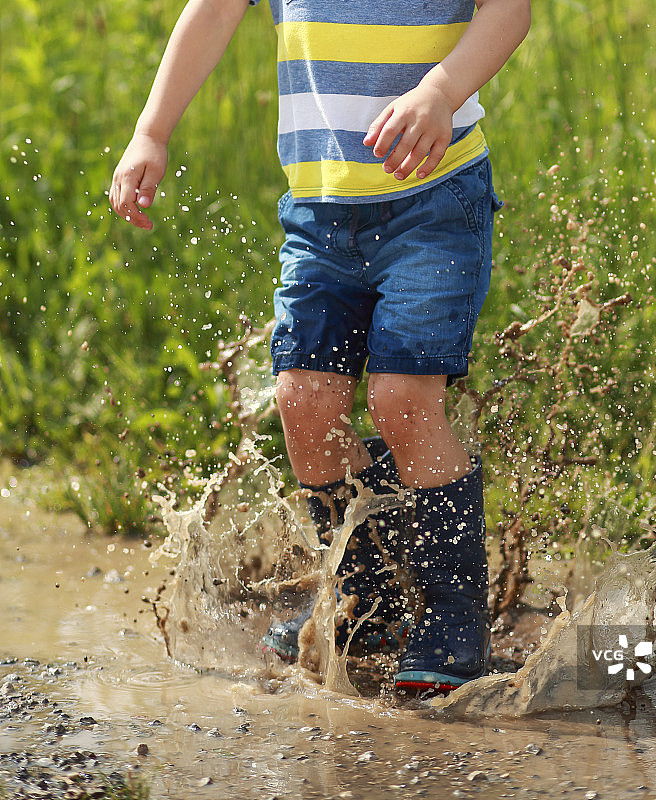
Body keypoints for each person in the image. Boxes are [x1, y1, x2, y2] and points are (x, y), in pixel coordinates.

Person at [110, 0, 531, 692]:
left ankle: (457, 617)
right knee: (303, 400)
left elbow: (510, 10)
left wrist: (440, 91)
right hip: (319, 213)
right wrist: (151, 131)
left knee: (402, 400)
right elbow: (212, 13)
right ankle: (370, 599)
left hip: (434, 201)